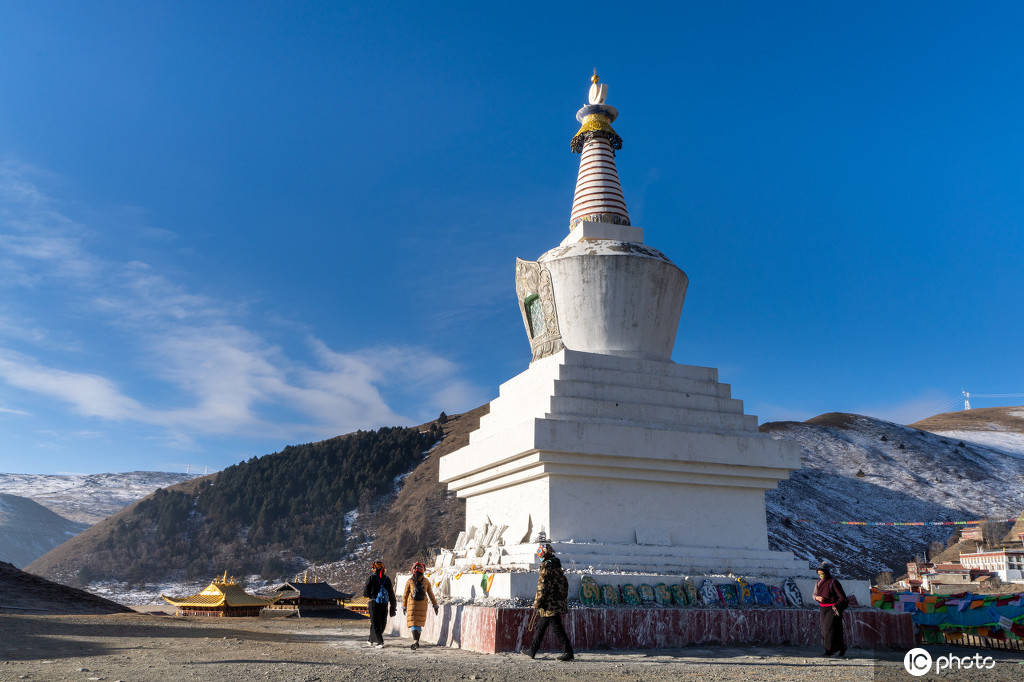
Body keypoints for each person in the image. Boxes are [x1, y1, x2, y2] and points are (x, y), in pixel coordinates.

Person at [524, 543, 574, 661]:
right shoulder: (557, 565)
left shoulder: (546, 566)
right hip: (556, 601)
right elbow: (564, 584)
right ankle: (532, 650)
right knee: (541, 627)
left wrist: (537, 602)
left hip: (549, 604)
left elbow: (542, 586)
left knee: (557, 628)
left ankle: (568, 652)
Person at [813, 563, 848, 657]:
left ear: (827, 572)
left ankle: (829, 651)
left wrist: (836, 606)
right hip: (823, 609)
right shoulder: (818, 582)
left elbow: (842, 597)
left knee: (828, 630)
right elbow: (814, 595)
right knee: (831, 630)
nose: (821, 575)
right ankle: (841, 647)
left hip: (832, 609)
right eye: (819, 573)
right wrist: (817, 598)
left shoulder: (833, 582)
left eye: (822, 573)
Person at [402, 561, 439, 650]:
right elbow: (431, 594)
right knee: (419, 623)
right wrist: (435, 605)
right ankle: (417, 641)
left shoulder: (410, 581)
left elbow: (405, 595)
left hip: (412, 605)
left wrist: (404, 606)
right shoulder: (426, 581)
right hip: (422, 605)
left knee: (413, 623)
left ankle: (415, 641)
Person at [363, 560, 396, 648]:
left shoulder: (371, 578)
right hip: (384, 604)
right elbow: (391, 594)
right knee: (381, 623)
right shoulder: (387, 579)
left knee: (375, 623)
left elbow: (365, 593)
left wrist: (372, 595)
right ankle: (371, 639)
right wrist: (393, 607)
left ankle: (380, 642)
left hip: (373, 603)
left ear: (374, 569)